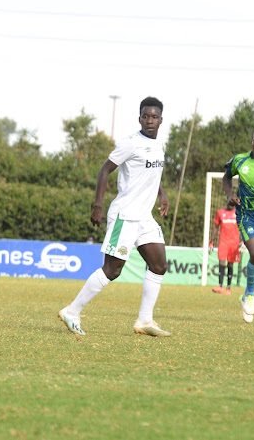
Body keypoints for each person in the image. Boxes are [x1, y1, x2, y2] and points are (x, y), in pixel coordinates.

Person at [58, 96, 171, 337]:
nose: (149, 120)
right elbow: (105, 169)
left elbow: (153, 175)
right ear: (139, 118)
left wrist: (162, 195)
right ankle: (72, 311)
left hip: (144, 218)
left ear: (161, 120)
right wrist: (97, 205)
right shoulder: (130, 143)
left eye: (154, 117)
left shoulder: (159, 146)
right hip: (125, 214)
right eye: (145, 116)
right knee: (112, 270)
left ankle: (144, 320)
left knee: (159, 265)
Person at [222, 128, 254, 323]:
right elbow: (226, 176)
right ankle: (250, 295)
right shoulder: (240, 160)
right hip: (247, 216)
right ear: (251, 141)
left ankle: (247, 294)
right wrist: (230, 196)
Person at [208, 203, 242, 295]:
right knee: (221, 262)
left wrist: (243, 241)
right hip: (223, 242)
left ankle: (228, 288)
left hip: (234, 243)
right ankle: (220, 286)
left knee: (230, 265)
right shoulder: (220, 212)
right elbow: (215, 227)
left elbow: (242, 226)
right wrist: (211, 241)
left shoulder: (238, 212)